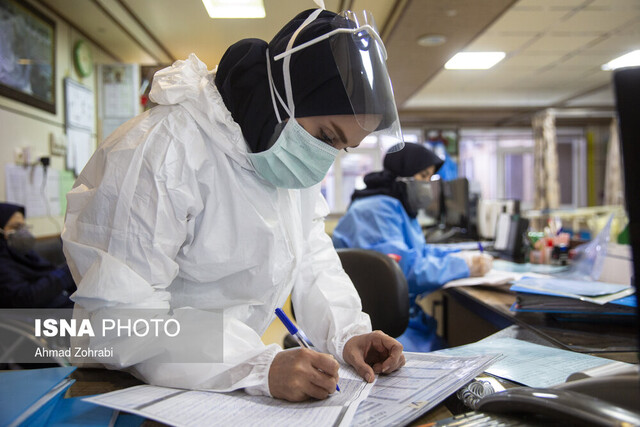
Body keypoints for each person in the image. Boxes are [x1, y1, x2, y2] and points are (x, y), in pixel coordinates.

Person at [62, 7, 405, 402]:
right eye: (327, 135)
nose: (326, 157)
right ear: (283, 98)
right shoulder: (164, 151)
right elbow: (124, 318)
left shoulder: (282, 153)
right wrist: (256, 366)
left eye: (343, 146)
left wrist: (348, 333)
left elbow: (310, 254)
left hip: (223, 384)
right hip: (129, 386)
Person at [332, 143, 492, 352]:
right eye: (423, 176)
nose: (427, 184)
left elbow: (419, 252)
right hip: (373, 326)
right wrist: (463, 266)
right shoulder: (376, 210)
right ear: (403, 175)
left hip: (399, 318)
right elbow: (402, 271)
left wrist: (461, 255)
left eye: (430, 178)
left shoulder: (398, 206)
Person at [0, 203, 75, 308]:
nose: (22, 232)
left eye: (23, 226)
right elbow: (25, 298)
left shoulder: (24, 254)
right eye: (16, 227)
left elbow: (49, 273)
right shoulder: (3, 263)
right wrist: (68, 271)